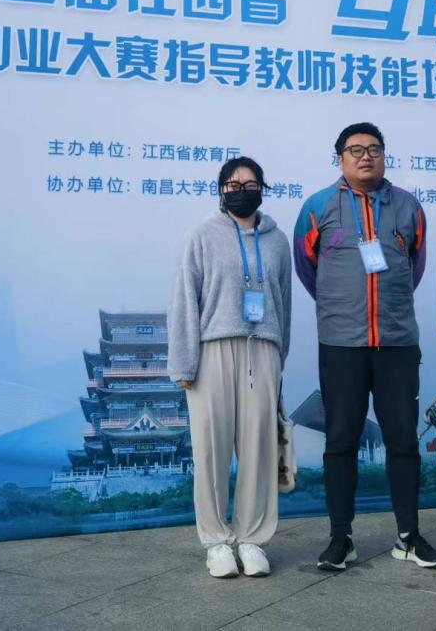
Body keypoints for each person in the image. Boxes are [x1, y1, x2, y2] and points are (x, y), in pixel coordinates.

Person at [294, 122, 436, 571]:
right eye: (355, 149)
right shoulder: (317, 207)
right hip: (341, 345)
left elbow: (414, 267)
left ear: (384, 155)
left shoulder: (408, 207)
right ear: (339, 158)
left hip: (397, 345)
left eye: (374, 149)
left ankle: (408, 536)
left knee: (403, 441)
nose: (366, 156)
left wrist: (386, 308)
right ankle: (341, 538)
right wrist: (343, 306)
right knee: (340, 441)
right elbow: (308, 269)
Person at [168, 156, 292, 579]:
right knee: (210, 449)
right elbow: (185, 298)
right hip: (213, 349)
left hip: (263, 350)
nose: (242, 191)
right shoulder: (201, 235)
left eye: (251, 184)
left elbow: (284, 302)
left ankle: (252, 538)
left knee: (259, 449)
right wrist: (184, 361)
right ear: (221, 190)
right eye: (233, 185)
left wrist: (278, 355)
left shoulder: (277, 241)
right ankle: (217, 541)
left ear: (263, 189)